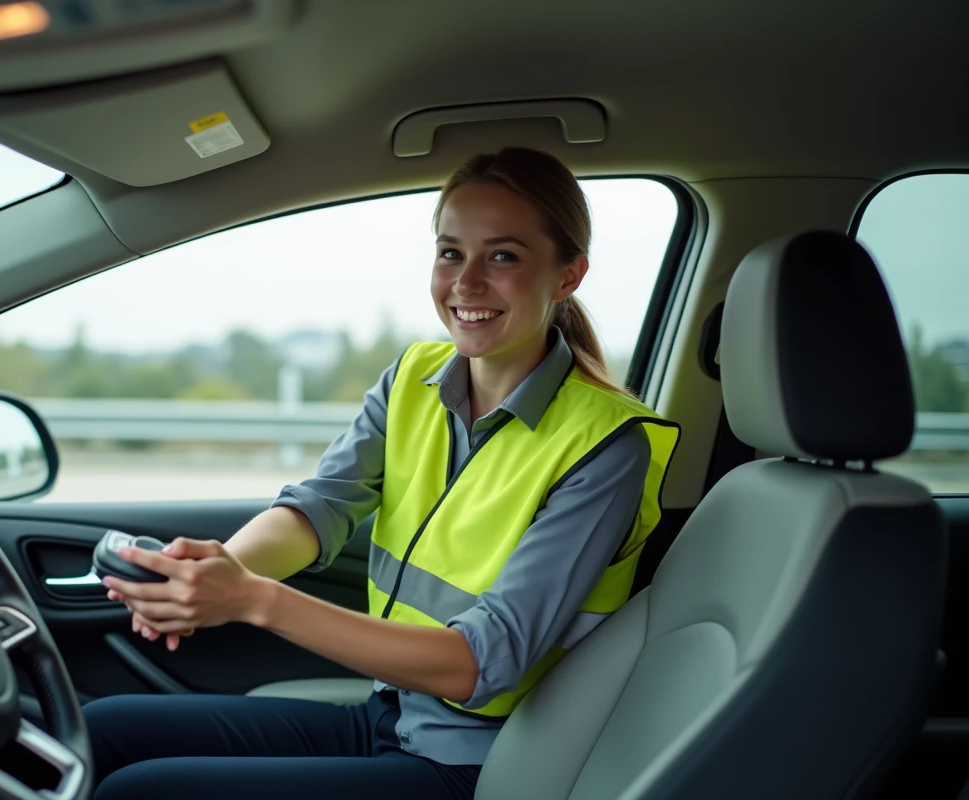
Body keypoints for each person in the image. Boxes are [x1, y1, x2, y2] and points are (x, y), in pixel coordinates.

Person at [84, 146, 680, 800]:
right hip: (390, 716)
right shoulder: (413, 380)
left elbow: (482, 664)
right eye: (450, 252)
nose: (466, 282)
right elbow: (318, 510)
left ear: (568, 277)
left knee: (143, 792)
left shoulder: (607, 445)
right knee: (100, 730)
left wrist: (253, 600)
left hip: (477, 766)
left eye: (502, 256)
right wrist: (214, 573)